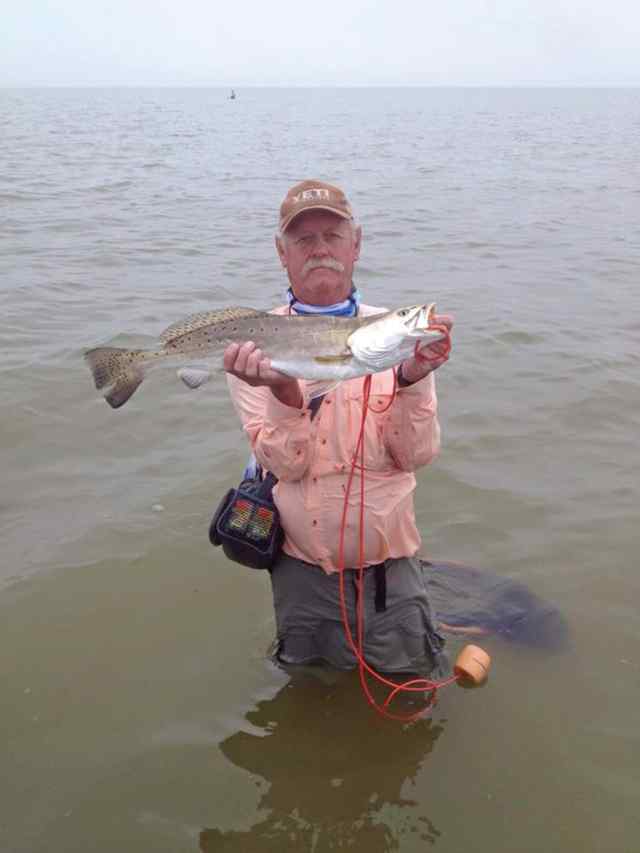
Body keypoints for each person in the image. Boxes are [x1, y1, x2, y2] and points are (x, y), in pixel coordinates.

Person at [223, 179, 454, 678]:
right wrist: (285, 396)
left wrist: (411, 380)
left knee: (412, 688)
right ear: (281, 253)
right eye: (304, 239)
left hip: (391, 571)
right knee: (308, 692)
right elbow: (285, 466)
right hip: (300, 575)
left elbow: (415, 456)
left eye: (332, 235)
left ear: (357, 244)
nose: (320, 249)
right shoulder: (251, 348)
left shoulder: (394, 342)